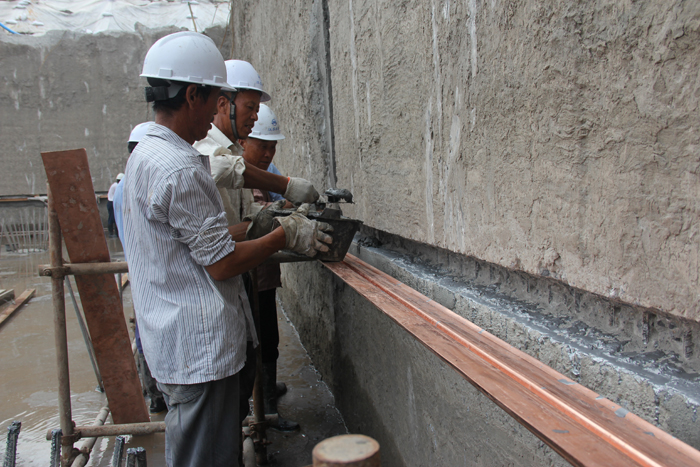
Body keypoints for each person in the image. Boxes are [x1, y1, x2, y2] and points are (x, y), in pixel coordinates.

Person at [122, 32, 332, 467]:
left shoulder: (146, 155)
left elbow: (192, 243)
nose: (219, 110)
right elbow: (222, 265)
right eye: (217, 99)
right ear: (192, 95)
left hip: (176, 344)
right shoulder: (180, 167)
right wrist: (284, 233)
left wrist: (255, 226)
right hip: (199, 352)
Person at [193, 59, 312, 432]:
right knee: (231, 373)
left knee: (259, 344)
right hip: (222, 278)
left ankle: (257, 412)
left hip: (243, 271)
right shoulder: (206, 152)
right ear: (223, 103)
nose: (254, 116)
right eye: (250, 108)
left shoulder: (227, 152)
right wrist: (281, 213)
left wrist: (274, 214)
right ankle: (254, 418)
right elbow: (224, 173)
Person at [241, 104, 299, 430]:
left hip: (264, 271)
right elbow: (257, 216)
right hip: (248, 272)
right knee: (257, 339)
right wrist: (287, 206)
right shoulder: (235, 174)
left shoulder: (265, 170)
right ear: (243, 142)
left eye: (272, 146)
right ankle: (264, 409)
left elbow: (279, 193)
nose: (268, 153)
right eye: (262, 146)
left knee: (270, 336)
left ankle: (266, 392)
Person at [113, 121, 167, 415]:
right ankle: (157, 391)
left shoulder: (125, 184)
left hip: (139, 266)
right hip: (151, 266)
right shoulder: (139, 183)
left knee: (145, 325)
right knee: (151, 330)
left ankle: (154, 393)